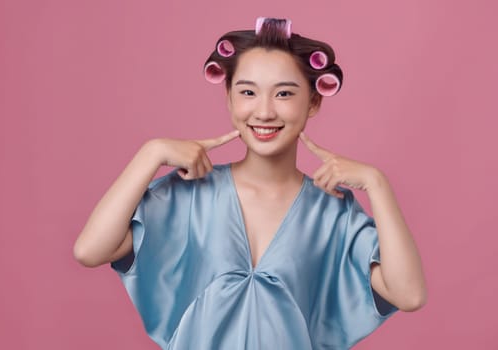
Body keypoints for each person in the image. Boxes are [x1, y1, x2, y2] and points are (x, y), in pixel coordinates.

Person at [73, 17, 427, 349]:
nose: (264, 111)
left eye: (284, 94)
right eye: (247, 92)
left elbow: (409, 295)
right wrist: (150, 154)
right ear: (228, 97)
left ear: (314, 101)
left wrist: (377, 184)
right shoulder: (189, 195)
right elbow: (91, 250)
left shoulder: (334, 213)